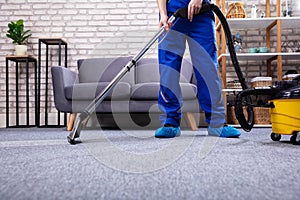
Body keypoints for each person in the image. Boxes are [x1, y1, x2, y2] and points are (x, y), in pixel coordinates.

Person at [155, 0, 241, 138]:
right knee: (168, 70)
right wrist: (163, 13)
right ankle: (170, 122)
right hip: (172, 13)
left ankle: (216, 123)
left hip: (201, 12)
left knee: (207, 69)